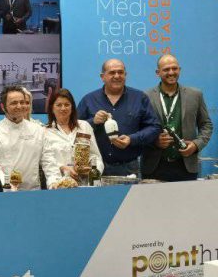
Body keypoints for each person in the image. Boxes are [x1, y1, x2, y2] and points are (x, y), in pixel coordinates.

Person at [77, 59, 160, 176]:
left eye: (120, 72)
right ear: (102, 77)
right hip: (97, 168)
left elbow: (154, 127)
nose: (117, 76)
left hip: (130, 168)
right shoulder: (89, 100)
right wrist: (93, 121)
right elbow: (74, 129)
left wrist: (132, 139)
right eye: (112, 72)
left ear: (125, 75)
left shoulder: (140, 98)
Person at [142, 54, 213, 182]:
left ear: (179, 70)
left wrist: (196, 145)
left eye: (174, 68)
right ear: (158, 73)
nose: (171, 72)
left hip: (186, 166)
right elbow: (139, 129)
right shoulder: (145, 96)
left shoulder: (195, 95)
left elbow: (206, 125)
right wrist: (154, 141)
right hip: (154, 166)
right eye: (166, 69)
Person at [0, 86, 59, 190]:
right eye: (14, 103)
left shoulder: (38, 130)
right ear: (3, 107)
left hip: (33, 191)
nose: (19, 106)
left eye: (22, 102)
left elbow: (48, 160)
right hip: (5, 192)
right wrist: (6, 184)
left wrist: (53, 182)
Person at [44, 89, 104, 182]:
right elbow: (46, 161)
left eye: (67, 105)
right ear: (52, 108)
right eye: (59, 105)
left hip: (85, 183)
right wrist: (62, 168)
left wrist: (92, 170)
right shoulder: (45, 132)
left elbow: (95, 156)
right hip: (60, 183)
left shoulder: (84, 126)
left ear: (72, 107)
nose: (63, 108)